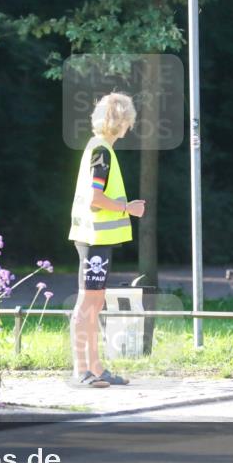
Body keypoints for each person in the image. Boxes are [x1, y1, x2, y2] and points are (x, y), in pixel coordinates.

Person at [68, 93, 146, 388]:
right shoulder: (101, 152)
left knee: (95, 300)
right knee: (88, 301)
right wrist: (129, 208)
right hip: (93, 237)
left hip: (96, 238)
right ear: (124, 122)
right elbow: (95, 199)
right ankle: (81, 370)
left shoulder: (99, 149)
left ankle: (96, 368)